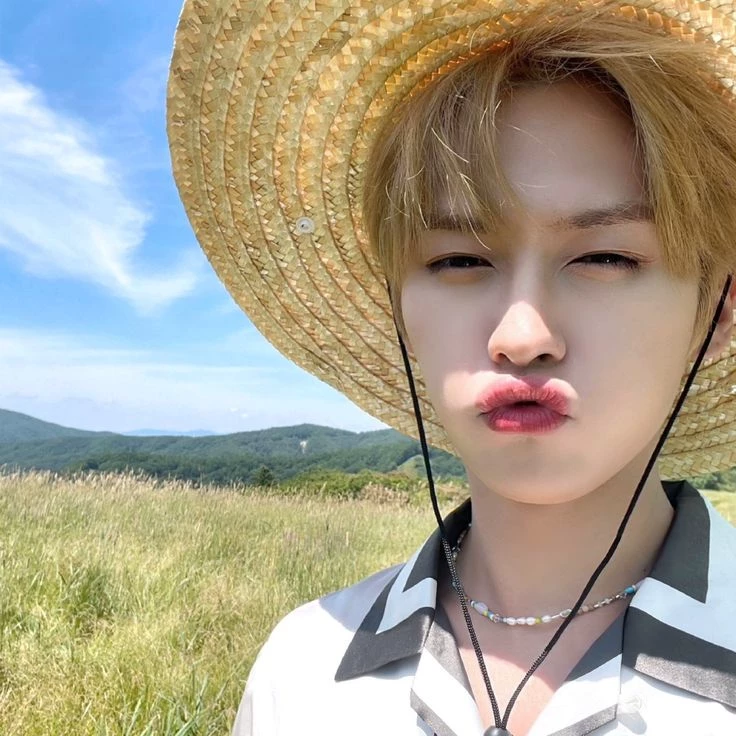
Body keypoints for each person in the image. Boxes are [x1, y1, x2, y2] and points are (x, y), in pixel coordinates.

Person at [167, 1, 736, 733]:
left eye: (605, 256)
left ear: (717, 311)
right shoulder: (302, 671)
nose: (522, 336)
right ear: (400, 310)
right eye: (458, 260)